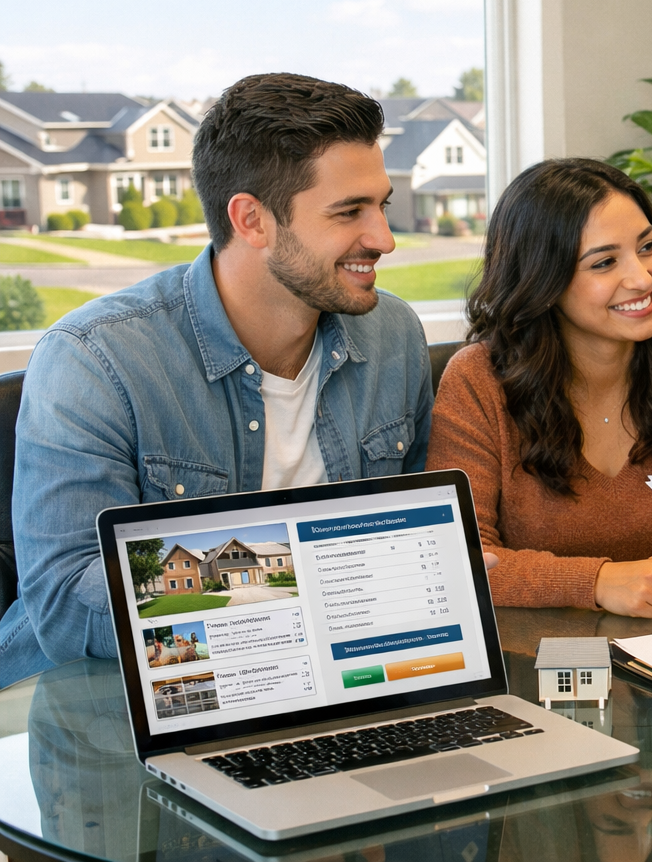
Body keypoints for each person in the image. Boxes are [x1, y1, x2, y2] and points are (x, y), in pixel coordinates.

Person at [0, 73, 437, 687]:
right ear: (251, 220)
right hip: (101, 710)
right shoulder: (93, 359)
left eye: (382, 204)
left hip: (323, 685)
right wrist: (313, 581)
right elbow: (67, 608)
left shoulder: (392, 333)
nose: (385, 239)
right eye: (349, 212)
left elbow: (411, 539)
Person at [427, 158, 652, 618]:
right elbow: (458, 560)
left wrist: (646, 580)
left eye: (648, 246)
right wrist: (596, 581)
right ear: (543, 280)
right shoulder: (477, 380)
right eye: (605, 262)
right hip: (533, 659)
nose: (642, 277)